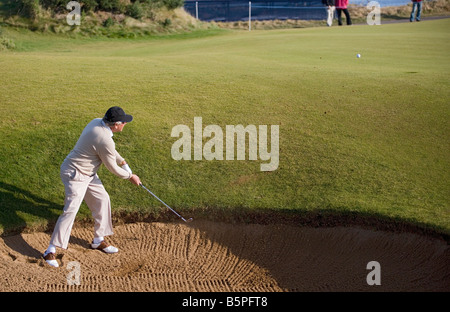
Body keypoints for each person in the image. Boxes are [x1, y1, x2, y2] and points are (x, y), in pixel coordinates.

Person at [42, 106, 141, 267]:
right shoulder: (104, 139)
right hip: (75, 174)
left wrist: (123, 161)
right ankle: (50, 250)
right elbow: (111, 167)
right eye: (123, 122)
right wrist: (130, 176)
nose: (125, 124)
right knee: (71, 210)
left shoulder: (97, 122)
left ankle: (98, 240)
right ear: (116, 124)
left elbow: (109, 150)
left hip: (88, 174)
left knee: (102, 199)